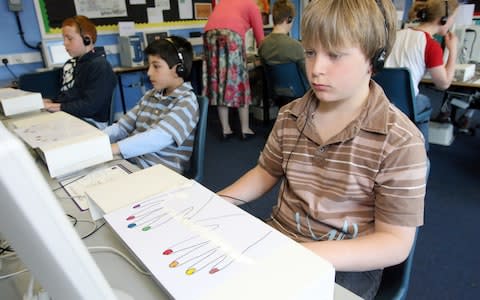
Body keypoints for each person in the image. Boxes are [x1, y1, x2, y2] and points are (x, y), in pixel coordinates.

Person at [218, 1, 428, 299]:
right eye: (310, 52)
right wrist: (217, 201)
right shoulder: (291, 115)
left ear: (374, 58)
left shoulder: (399, 140)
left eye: (335, 55)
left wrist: (302, 254)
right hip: (281, 241)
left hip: (347, 263)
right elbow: (266, 171)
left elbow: (394, 242)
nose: (316, 69)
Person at [103, 36, 199, 174]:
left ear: (179, 69)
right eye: (149, 66)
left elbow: (159, 137)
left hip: (159, 172)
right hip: (133, 162)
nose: (149, 72)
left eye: (156, 66)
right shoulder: (151, 95)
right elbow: (121, 127)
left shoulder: (186, 101)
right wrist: (97, 140)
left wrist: (114, 148)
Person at [385, 0, 459, 147]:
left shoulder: (397, 34)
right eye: (452, 19)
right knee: (424, 101)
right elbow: (443, 83)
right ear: (443, 19)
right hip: (403, 104)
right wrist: (453, 51)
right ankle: (421, 150)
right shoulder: (430, 45)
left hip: (382, 99)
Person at [203, 0, 264, 140]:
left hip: (209, 34)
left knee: (219, 80)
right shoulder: (252, 5)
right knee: (240, 79)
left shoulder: (226, 2)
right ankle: (245, 129)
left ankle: (226, 129)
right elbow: (261, 39)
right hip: (231, 34)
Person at [43, 15, 117, 129]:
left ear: (87, 39)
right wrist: (51, 101)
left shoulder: (99, 66)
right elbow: (72, 94)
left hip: (93, 122)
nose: (65, 43)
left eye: (69, 38)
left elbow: (90, 106)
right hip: (79, 116)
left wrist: (56, 107)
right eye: (64, 38)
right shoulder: (78, 63)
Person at [258, 0, 305, 77]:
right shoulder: (296, 47)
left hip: (272, 89)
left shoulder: (262, 45)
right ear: (289, 19)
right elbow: (308, 76)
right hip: (297, 88)